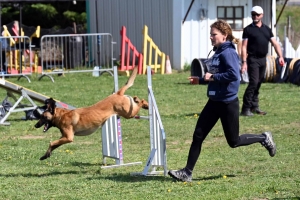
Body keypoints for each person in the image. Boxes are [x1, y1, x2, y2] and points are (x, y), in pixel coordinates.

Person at [168, 20, 276, 182]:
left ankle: (263, 138)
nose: (211, 37)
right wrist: (201, 80)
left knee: (234, 141)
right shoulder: (218, 52)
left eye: (214, 34)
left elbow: (234, 75)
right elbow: (216, 75)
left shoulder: (228, 53)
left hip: (227, 103)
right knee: (198, 135)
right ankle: (187, 172)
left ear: (224, 36)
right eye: (210, 34)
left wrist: (212, 77)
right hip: (214, 101)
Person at [240, 6, 284, 116]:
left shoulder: (267, 30)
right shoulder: (248, 29)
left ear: (262, 15)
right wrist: (244, 62)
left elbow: (275, 44)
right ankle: (245, 109)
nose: (255, 16)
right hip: (252, 59)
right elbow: (244, 47)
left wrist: (281, 56)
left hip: (263, 59)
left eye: (257, 14)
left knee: (258, 83)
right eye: (253, 14)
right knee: (253, 82)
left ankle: (254, 107)